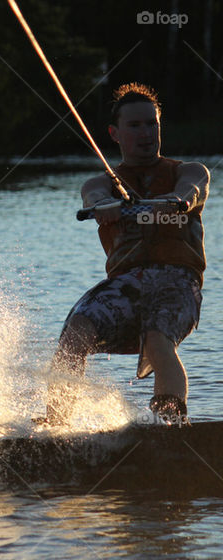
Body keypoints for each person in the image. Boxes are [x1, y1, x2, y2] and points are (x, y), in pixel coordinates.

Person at [45, 83, 210, 427]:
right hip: (125, 286)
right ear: (115, 134)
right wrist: (105, 207)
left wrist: (178, 201)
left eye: (152, 124)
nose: (146, 133)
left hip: (178, 283)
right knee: (75, 330)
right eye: (135, 126)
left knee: (157, 339)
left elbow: (191, 190)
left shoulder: (188, 171)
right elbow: (93, 197)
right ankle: (55, 430)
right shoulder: (101, 183)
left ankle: (171, 428)